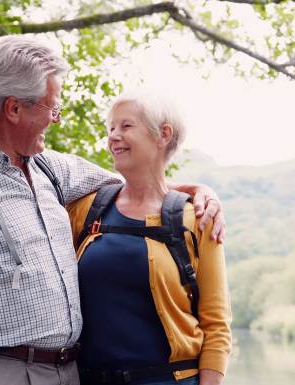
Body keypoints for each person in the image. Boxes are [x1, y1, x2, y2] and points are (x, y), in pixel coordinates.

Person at [0, 36, 225, 385]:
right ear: (14, 108)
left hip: (69, 373)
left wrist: (197, 191)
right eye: (52, 108)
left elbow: (138, 183)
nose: (56, 120)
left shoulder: (48, 168)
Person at [67, 91, 232, 385]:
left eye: (126, 126)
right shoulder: (86, 210)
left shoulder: (197, 218)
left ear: (163, 135)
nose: (114, 136)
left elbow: (216, 325)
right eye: (111, 128)